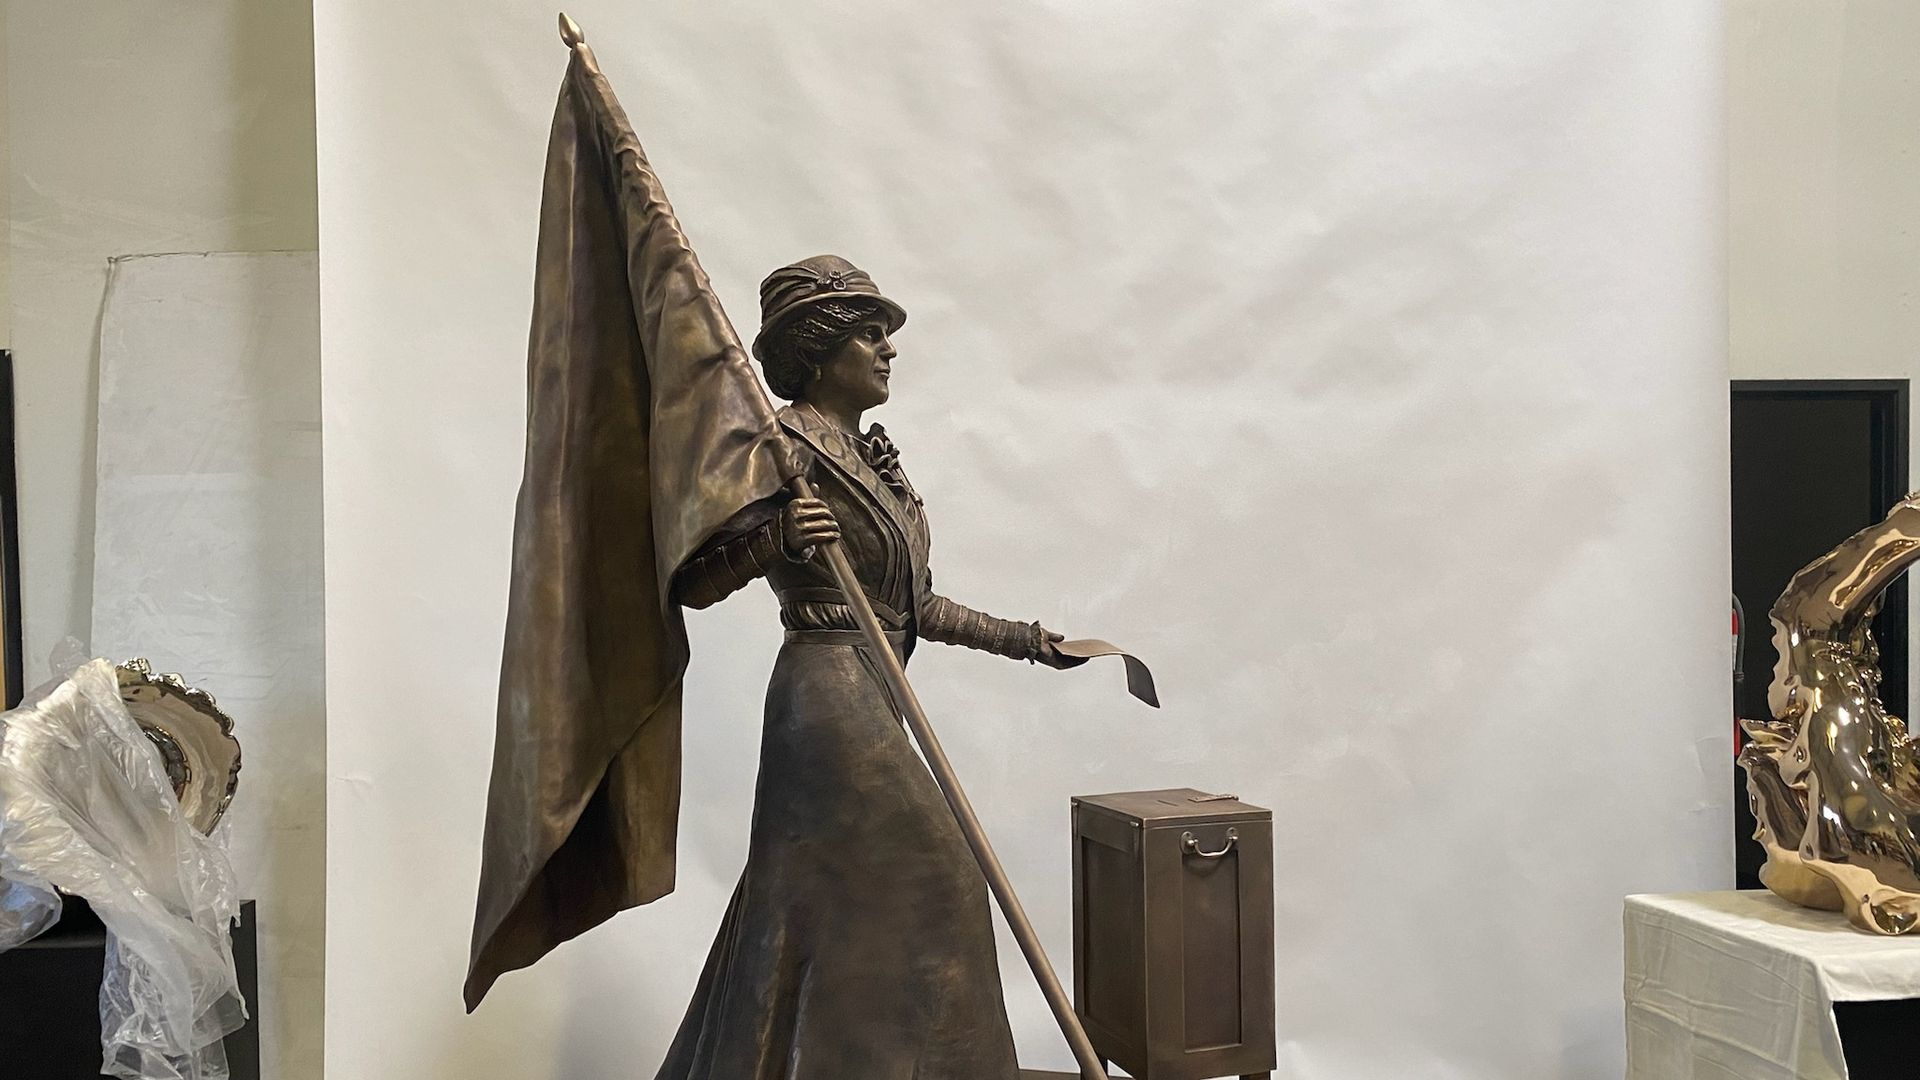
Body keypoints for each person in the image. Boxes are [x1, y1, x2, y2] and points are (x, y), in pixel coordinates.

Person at [656, 255, 1075, 1079]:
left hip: (878, 685)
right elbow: (695, 584)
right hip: (825, 693)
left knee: (824, 897)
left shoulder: (874, 459)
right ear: (819, 347)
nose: (888, 349)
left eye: (886, 335)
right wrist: (774, 540)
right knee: (943, 874)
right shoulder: (778, 446)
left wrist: (1032, 640)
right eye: (869, 333)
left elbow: (916, 607)